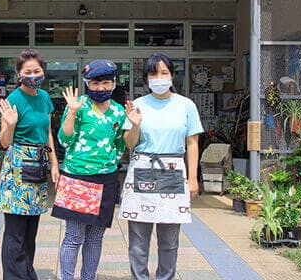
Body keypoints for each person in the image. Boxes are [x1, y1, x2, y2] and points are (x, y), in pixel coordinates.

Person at [119, 53, 204, 280]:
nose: (159, 78)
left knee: (169, 239)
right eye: (153, 73)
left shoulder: (186, 105)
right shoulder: (137, 105)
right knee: (138, 239)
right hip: (143, 165)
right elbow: (129, 143)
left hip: (172, 169)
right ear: (146, 79)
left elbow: (192, 143)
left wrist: (193, 178)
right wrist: (135, 125)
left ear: (172, 76)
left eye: (164, 73)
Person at [53, 59, 126, 280]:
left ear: (113, 83)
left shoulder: (119, 111)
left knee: (96, 237)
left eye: (106, 82)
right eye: (95, 83)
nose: (101, 88)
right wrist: (73, 112)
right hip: (77, 178)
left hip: (106, 178)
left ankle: (89, 277)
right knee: (74, 236)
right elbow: (64, 140)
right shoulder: (78, 105)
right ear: (87, 84)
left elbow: (120, 145)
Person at [0, 49, 60, 280]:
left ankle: (27, 273)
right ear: (18, 73)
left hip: (39, 163)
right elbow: (4, 142)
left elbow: (48, 132)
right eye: (28, 72)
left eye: (37, 71)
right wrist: (10, 124)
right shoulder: (13, 100)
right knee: (15, 231)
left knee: (31, 227)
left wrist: (54, 163)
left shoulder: (44, 97)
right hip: (18, 166)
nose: (33, 75)